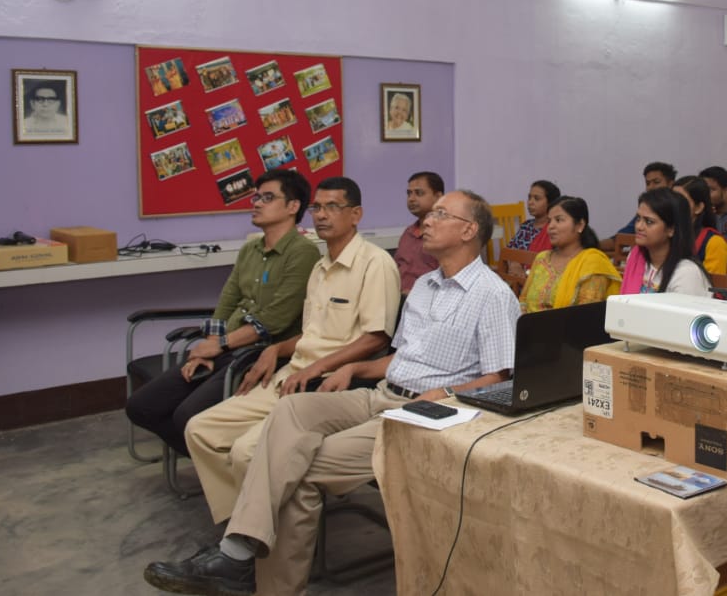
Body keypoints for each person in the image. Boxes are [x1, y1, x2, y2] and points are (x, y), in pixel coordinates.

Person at [143, 190, 519, 596]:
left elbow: (500, 379)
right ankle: (240, 556)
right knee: (292, 411)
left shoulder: (492, 294)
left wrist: (441, 394)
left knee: (298, 467)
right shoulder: (426, 286)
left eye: (441, 213)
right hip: (380, 393)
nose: (426, 219)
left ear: (469, 230)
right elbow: (398, 359)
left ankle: (243, 562)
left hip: (427, 414)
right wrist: (354, 367)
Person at [184, 176, 402, 525]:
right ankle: (240, 528)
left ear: (356, 214)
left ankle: (259, 542)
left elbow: (374, 339)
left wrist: (314, 369)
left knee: (245, 452)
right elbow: (310, 333)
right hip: (291, 373)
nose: (322, 215)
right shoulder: (319, 267)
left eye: (333, 207)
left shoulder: (374, 264)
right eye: (317, 207)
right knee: (200, 431)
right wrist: (276, 348)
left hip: (327, 382)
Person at [125, 170, 321, 456]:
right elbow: (227, 301)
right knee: (140, 406)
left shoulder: (302, 252)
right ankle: (216, 464)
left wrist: (220, 345)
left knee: (186, 417)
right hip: (226, 347)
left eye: (268, 197)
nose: (256, 203)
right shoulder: (250, 249)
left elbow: (274, 320)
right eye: (256, 196)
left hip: (257, 353)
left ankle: (230, 469)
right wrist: (209, 347)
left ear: (293, 207)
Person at [519, 196, 621, 313]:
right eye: (549, 221)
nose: (550, 227)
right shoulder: (541, 258)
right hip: (528, 327)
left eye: (558, 220)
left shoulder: (592, 264)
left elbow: (586, 315)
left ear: (580, 225)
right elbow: (523, 299)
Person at [619, 188, 711, 296]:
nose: (639, 226)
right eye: (638, 219)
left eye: (649, 221)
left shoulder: (686, 273)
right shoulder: (635, 257)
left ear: (671, 229)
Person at [600, 162, 676, 251]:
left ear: (670, 184)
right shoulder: (646, 210)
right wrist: (590, 244)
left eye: (656, 182)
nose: (651, 187)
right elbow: (620, 238)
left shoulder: (679, 208)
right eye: (648, 183)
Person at [393, 171, 442, 294]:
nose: (411, 199)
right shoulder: (408, 233)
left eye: (419, 193)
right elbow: (397, 269)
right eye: (409, 194)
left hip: (429, 304)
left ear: (438, 196)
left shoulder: (445, 234)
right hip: (400, 301)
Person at [672, 175, 727, 275]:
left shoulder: (715, 243)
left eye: (680, 202)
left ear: (698, 208)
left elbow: (711, 287)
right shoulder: (666, 235)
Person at [505, 180, 561, 252]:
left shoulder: (554, 230)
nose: (530, 202)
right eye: (529, 197)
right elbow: (509, 250)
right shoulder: (526, 226)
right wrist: (513, 261)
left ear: (551, 203)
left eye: (537, 199)